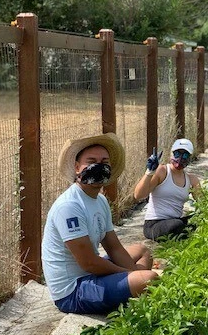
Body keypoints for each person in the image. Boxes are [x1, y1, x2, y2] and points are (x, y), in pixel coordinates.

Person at [41, 133, 159, 314]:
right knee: (149, 279)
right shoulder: (69, 206)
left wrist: (131, 271)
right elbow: (89, 263)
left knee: (142, 251)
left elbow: (114, 247)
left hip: (90, 274)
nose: (98, 166)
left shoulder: (100, 201)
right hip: (73, 291)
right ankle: (133, 288)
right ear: (77, 167)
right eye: (91, 161)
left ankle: (130, 290)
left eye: (104, 162)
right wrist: (129, 274)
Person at [134, 138, 202, 241]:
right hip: (155, 224)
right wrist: (149, 172)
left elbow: (204, 204)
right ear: (171, 153)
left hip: (175, 220)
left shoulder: (192, 180)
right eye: (177, 154)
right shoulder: (162, 171)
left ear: (189, 157)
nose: (180, 159)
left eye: (185, 155)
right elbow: (138, 195)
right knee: (177, 225)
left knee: (200, 220)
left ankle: (183, 234)